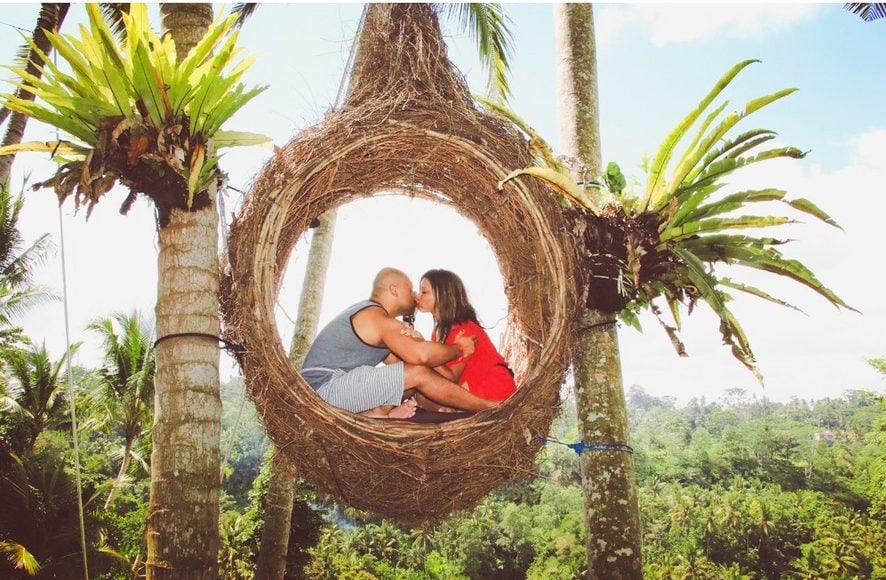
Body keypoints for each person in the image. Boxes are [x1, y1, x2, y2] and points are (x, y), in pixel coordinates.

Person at [300, 267, 499, 419]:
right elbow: (421, 358)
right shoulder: (376, 316)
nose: (414, 295)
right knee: (417, 373)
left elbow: (406, 366)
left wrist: (415, 342)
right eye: (411, 289)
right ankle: (489, 407)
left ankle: (378, 413)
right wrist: (458, 349)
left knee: (412, 373)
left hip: (331, 389)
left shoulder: (376, 320)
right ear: (394, 290)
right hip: (323, 390)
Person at [415, 269, 517, 402]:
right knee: (421, 395)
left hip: (493, 387)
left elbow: (451, 377)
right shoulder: (437, 332)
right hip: (469, 389)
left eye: (424, 291)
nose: (418, 296)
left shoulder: (465, 329)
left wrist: (426, 352)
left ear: (443, 295)